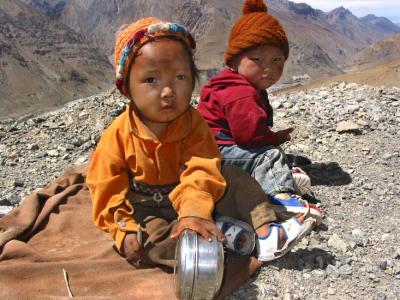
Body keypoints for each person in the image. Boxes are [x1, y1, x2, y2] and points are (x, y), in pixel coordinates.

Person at [86, 17, 315, 269]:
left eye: (180, 77)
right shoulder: (116, 136)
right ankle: (215, 240)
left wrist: (194, 211)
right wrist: (124, 229)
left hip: (196, 195)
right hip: (144, 208)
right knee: (147, 241)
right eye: (151, 80)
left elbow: (203, 169)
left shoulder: (194, 125)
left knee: (236, 179)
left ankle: (266, 232)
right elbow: (106, 188)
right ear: (126, 88)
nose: (168, 91)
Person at [197, 0, 322, 223]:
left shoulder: (242, 84)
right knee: (268, 154)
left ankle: (276, 175)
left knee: (269, 151)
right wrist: (275, 138)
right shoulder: (240, 92)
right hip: (216, 153)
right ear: (234, 61)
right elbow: (250, 137)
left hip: (215, 147)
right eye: (257, 59)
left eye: (277, 60)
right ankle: (280, 198)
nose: (269, 68)